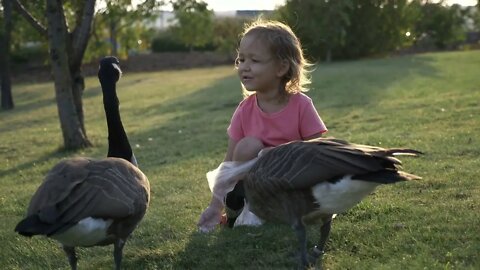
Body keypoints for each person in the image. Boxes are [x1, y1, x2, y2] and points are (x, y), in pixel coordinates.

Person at [198, 19, 327, 232]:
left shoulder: (301, 105)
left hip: (292, 183)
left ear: (281, 67)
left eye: (255, 60)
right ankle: (247, 206)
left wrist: (277, 154)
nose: (244, 67)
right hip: (255, 187)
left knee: (271, 155)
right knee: (248, 146)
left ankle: (290, 207)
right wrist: (214, 206)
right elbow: (229, 163)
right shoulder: (244, 110)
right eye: (241, 59)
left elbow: (317, 152)